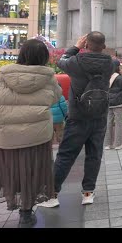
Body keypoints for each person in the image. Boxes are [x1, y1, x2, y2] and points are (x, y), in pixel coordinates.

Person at [0, 39, 61, 227]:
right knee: (32, 174)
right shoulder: (49, 78)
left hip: (5, 138)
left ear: (21, 55)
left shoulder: (3, 76)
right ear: (44, 57)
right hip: (37, 137)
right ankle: (25, 215)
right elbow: (56, 97)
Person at [37, 32, 115, 208]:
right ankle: (88, 193)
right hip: (100, 116)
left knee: (66, 155)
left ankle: (52, 194)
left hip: (78, 117)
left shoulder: (75, 62)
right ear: (103, 46)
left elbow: (60, 60)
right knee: (94, 155)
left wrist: (76, 47)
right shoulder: (111, 63)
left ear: (86, 45)